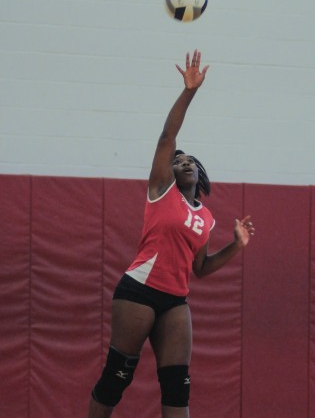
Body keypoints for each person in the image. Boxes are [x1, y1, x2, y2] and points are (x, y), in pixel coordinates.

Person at [87, 50, 255, 418]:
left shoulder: (205, 217)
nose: (184, 162)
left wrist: (236, 246)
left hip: (175, 301)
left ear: (200, 172)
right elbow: (168, 134)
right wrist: (190, 91)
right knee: (116, 379)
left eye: (189, 159)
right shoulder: (162, 190)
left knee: (178, 389)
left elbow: (201, 268)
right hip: (138, 292)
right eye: (178, 160)